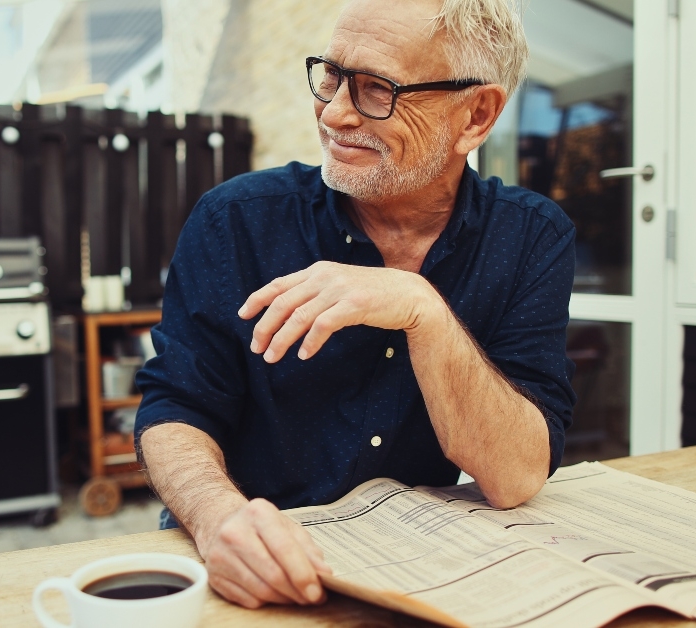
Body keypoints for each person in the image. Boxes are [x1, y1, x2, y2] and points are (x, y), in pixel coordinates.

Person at [133, 0, 575, 610]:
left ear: (476, 115)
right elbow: (175, 406)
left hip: (426, 572)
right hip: (251, 556)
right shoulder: (236, 219)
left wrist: (423, 310)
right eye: (332, 76)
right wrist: (217, 518)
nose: (335, 113)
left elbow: (518, 474)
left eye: (377, 90)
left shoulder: (530, 236)